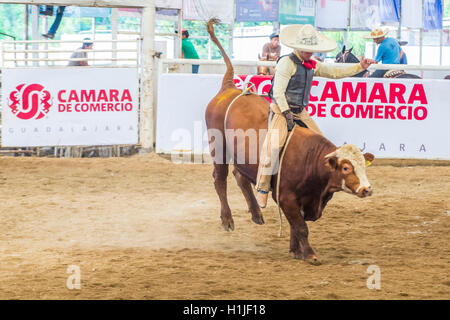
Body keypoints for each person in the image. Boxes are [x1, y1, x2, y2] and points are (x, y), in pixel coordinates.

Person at [255, 24, 377, 208]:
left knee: (323, 146)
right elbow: (279, 93)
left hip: (300, 111)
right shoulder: (286, 63)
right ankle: (262, 188)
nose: (310, 53)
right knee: (273, 146)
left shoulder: (311, 64)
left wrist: (359, 66)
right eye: (307, 50)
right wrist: (287, 113)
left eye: (312, 50)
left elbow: (334, 72)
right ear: (298, 47)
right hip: (280, 109)